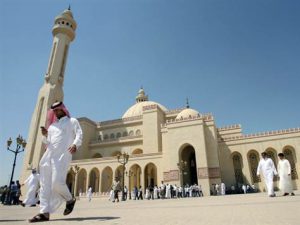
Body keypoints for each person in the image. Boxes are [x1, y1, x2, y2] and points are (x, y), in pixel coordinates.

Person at [29, 101, 83, 222]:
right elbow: (48, 142)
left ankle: (70, 199)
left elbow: (79, 133)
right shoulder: (52, 126)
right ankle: (44, 213)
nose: (56, 112)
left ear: (63, 110)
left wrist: (75, 144)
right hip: (49, 157)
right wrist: (45, 135)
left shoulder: (72, 121)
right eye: (54, 111)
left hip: (62, 156)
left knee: (56, 182)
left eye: (58, 110)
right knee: (45, 185)